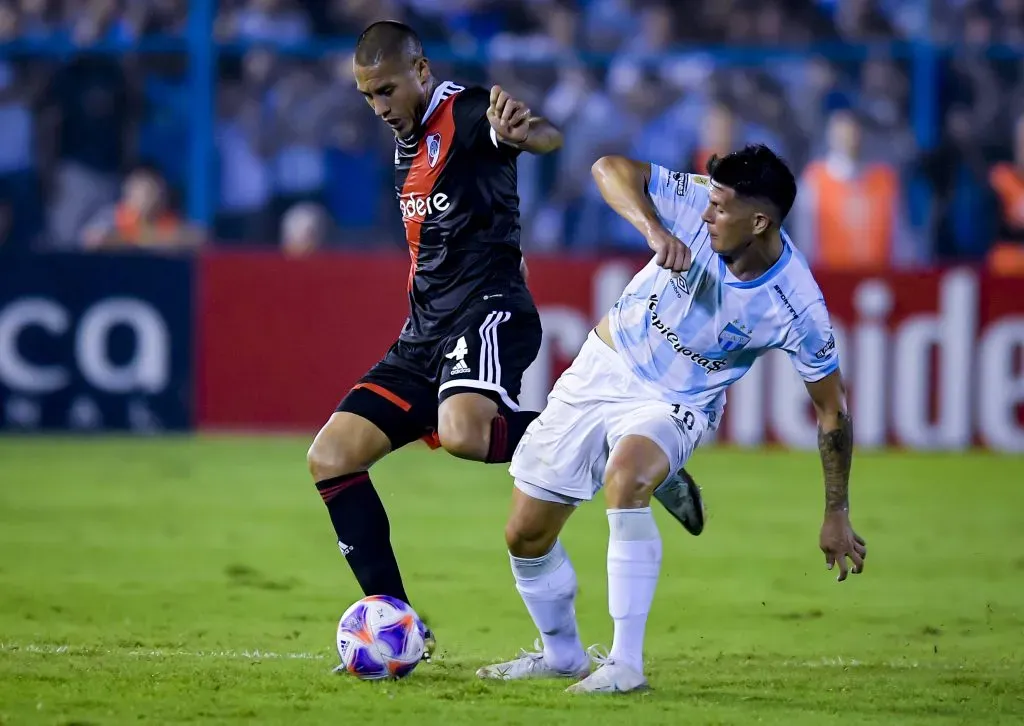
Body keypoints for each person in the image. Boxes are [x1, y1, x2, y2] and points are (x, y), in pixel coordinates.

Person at [476, 145, 867, 693]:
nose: (707, 215)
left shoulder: (796, 305)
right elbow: (607, 168)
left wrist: (836, 512)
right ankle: (561, 654)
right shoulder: (695, 208)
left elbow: (832, 410)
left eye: (720, 208)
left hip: (680, 402)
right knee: (525, 534)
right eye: (708, 202)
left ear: (759, 222)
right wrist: (652, 230)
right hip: (605, 366)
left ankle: (625, 665)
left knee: (626, 477)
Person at [304, 20, 566, 660]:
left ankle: (609, 437)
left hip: (489, 309)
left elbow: (545, 137)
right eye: (368, 96)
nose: (380, 107)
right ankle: (399, 625)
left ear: (421, 71)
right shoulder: (405, 144)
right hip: (423, 336)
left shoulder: (470, 112)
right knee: (331, 456)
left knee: (465, 434)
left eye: (387, 90)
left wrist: (526, 134)